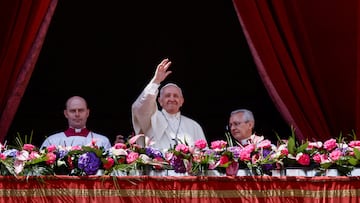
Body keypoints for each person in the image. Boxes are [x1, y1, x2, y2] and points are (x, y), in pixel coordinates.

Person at [131, 58, 207, 150]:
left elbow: (204, 154)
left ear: (182, 101)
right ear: (160, 101)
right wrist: (156, 81)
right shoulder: (151, 118)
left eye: (175, 96)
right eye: (167, 96)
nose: (172, 99)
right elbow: (140, 108)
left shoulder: (194, 126)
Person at [40, 96, 112, 150]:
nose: (77, 114)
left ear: (87, 113)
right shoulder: (51, 141)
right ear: (66, 113)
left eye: (80, 110)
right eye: (73, 111)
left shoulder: (102, 141)